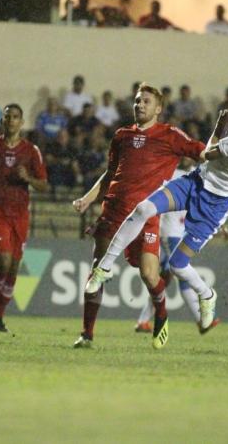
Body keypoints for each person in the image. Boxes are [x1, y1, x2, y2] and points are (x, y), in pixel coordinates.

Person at [87, 66, 228, 333]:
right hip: (197, 181)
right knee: (143, 209)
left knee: (177, 265)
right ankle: (103, 269)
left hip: (216, 202)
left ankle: (207, 295)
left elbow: (207, 152)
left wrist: (220, 126)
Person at [71, 83, 206, 350]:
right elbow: (110, 173)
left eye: (146, 101)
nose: (140, 105)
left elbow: (202, 153)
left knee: (149, 275)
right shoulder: (121, 135)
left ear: (158, 108)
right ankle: (87, 334)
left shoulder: (170, 135)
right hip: (113, 210)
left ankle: (161, 313)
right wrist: (87, 198)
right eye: (137, 101)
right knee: (98, 269)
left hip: (146, 215)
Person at [0, 105, 48, 332]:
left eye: (15, 117)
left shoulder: (31, 151)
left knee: (13, 268)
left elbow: (43, 185)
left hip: (20, 214)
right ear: (2, 121)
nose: (11, 120)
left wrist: (29, 179)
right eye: (7, 117)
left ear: (21, 122)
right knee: (3, 261)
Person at [134, 157, 222, 334]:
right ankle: (201, 320)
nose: (188, 156)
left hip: (181, 232)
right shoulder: (172, 174)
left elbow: (202, 202)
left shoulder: (197, 175)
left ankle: (143, 321)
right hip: (169, 232)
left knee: (165, 278)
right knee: (181, 274)